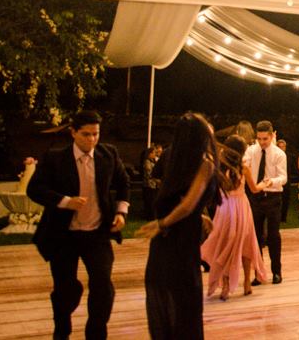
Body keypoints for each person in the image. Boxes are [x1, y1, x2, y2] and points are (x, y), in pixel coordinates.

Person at [27, 110, 129, 340]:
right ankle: (62, 330)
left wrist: (121, 212)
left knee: (103, 286)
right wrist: (65, 201)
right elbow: (34, 189)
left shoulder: (108, 154)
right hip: (64, 235)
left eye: (96, 134)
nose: (92, 139)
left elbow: (124, 183)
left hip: (97, 234)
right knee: (65, 289)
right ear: (73, 132)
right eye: (86, 134)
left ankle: (96, 333)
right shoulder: (55, 158)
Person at [137, 112, 222, 339]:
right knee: (186, 308)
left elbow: (178, 198)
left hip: (163, 245)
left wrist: (198, 216)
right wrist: (162, 223)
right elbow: (186, 205)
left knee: (168, 307)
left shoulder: (175, 159)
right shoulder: (205, 164)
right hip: (181, 245)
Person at [200, 134, 267, 299]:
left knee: (226, 244)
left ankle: (226, 285)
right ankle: (247, 283)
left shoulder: (219, 167)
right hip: (242, 207)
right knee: (246, 243)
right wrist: (266, 183)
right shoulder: (244, 168)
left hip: (225, 208)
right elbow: (254, 189)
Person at [244, 120, 288, 284]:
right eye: (259, 139)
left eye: (265, 139)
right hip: (255, 197)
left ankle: (277, 272)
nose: (262, 142)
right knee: (255, 236)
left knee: (273, 235)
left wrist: (271, 181)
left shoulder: (279, 154)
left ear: (271, 136)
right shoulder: (251, 151)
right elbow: (244, 165)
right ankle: (258, 273)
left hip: (273, 197)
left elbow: (283, 178)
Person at [277, 137, 291, 222]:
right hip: (277, 181)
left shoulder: (288, 157)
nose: (282, 148)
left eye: (283, 146)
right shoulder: (275, 157)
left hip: (286, 181)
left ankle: (283, 218)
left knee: (286, 200)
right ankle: (277, 217)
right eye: (280, 147)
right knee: (277, 200)